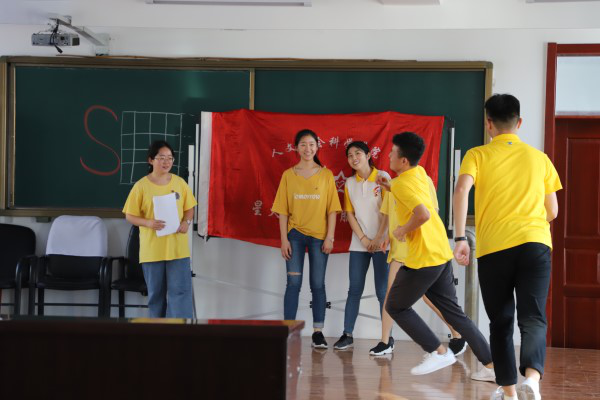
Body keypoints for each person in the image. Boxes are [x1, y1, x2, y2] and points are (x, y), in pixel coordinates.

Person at [453, 94, 562, 400]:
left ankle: (510, 392)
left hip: (495, 247)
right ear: (519, 122)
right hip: (535, 244)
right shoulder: (540, 158)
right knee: (533, 316)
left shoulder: (477, 155)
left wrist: (460, 238)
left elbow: (461, 190)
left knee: (501, 321)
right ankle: (533, 379)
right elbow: (553, 211)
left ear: (488, 123)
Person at [383, 132, 494, 378]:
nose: (389, 155)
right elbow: (416, 198)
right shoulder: (419, 173)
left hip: (424, 258)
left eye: (392, 152)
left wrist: (401, 230)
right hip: (441, 252)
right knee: (456, 315)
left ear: (403, 160)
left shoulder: (401, 184)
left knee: (395, 306)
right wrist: (389, 187)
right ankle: (492, 367)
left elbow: (423, 214)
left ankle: (439, 352)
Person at [374, 169, 469, 358]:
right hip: (399, 249)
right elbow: (388, 214)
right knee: (391, 296)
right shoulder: (393, 183)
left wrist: (407, 232)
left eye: (395, 154)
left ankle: (458, 334)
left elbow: (431, 213)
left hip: (419, 248)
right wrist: (385, 236)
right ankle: (385, 342)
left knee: (431, 298)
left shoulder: (424, 180)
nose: (391, 157)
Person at [272, 129, 342, 348]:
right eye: (303, 144)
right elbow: (282, 211)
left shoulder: (326, 175)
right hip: (294, 236)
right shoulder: (288, 175)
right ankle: (288, 330)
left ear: (317, 147)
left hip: (319, 237)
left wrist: (330, 237)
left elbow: (332, 210)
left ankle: (318, 333)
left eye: (311, 144)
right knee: (293, 283)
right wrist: (284, 240)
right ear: (296, 148)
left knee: (317, 284)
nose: (307, 148)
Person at [123, 140, 197, 318]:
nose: (166, 162)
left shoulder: (180, 183)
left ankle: (179, 329)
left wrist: (186, 222)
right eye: (161, 157)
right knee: (156, 295)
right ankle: (157, 330)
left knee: (180, 292)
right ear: (151, 160)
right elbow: (129, 216)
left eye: (170, 158)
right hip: (152, 250)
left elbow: (190, 208)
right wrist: (148, 223)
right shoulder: (141, 186)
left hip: (177, 249)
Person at [332, 141, 391, 352]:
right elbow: (349, 214)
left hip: (383, 243)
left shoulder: (382, 176)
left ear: (368, 155)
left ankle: (387, 339)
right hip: (359, 244)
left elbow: (388, 210)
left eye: (358, 153)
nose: (354, 158)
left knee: (383, 292)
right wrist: (364, 239)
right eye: (350, 155)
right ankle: (347, 334)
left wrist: (378, 238)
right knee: (354, 289)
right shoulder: (349, 183)